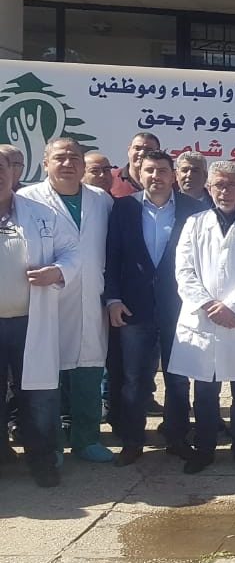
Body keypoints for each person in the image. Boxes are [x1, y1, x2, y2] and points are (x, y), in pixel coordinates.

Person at [168, 161, 235, 474]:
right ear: (209, 188)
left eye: (231, 185)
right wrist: (207, 305)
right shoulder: (194, 224)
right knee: (204, 391)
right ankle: (204, 449)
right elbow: (184, 270)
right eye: (218, 185)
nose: (224, 191)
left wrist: (232, 307)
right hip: (203, 320)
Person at [103, 150, 205, 467]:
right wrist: (112, 299)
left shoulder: (194, 210)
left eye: (162, 170)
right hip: (134, 308)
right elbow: (112, 256)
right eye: (149, 170)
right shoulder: (124, 208)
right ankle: (133, 441)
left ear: (173, 175)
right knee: (135, 379)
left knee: (178, 378)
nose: (155, 176)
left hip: (180, 309)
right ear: (139, 173)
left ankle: (176, 438)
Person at [18, 137, 114, 464]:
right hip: (45, 300)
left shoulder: (101, 200)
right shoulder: (27, 200)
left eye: (75, 157)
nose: (68, 163)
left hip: (91, 299)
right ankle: (52, 446)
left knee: (89, 368)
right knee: (48, 376)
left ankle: (87, 440)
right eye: (60, 157)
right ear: (45, 163)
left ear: (83, 164)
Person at [0, 148, 79, 487]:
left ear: (12, 172)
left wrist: (57, 271)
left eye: (1, 167)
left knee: (39, 397)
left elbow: (73, 251)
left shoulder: (40, 213)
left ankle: (42, 460)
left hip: (30, 322)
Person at [108, 132, 157, 199]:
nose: (142, 153)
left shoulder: (166, 180)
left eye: (148, 150)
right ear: (129, 150)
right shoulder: (110, 177)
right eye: (137, 148)